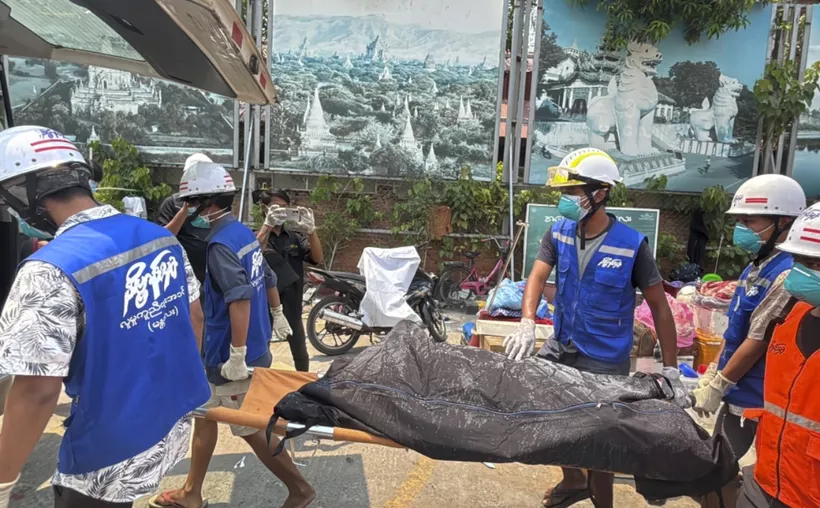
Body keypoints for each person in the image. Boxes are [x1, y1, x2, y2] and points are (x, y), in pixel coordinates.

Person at [0, 126, 210, 508]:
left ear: (23, 192)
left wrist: (3, 480)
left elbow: (37, 390)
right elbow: (194, 316)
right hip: (171, 420)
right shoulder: (161, 238)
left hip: (107, 452)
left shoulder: (47, 269)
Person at [503, 148, 687, 508]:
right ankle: (574, 480)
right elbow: (536, 277)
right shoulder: (558, 233)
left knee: (602, 441)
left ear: (600, 193)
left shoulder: (632, 246)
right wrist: (527, 320)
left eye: (572, 191)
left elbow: (660, 309)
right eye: (563, 191)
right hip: (562, 346)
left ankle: (602, 502)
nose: (565, 199)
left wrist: (671, 370)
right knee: (547, 415)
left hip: (604, 359)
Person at [150, 162, 314, 508]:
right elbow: (267, 275)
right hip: (248, 344)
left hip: (232, 355)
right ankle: (191, 491)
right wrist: (276, 314)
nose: (189, 211)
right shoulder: (241, 232)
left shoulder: (219, 244)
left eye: (190, 204)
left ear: (206, 203)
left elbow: (239, 297)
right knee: (205, 413)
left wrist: (237, 355)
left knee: (249, 427)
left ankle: (299, 489)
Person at [691, 174, 806, 506]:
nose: (741, 229)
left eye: (749, 221)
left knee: (728, 477)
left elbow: (758, 340)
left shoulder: (787, 274)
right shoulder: (756, 267)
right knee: (715, 473)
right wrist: (714, 373)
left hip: (759, 400)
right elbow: (735, 331)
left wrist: (720, 383)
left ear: (784, 222)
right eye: (739, 221)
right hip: (739, 392)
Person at [734, 201, 820, 508]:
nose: (799, 273)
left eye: (814, 264)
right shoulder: (790, 321)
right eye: (798, 260)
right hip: (768, 483)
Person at [255, 189, 323, 372]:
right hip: (264, 304)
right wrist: (267, 226)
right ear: (264, 209)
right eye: (276, 207)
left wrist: (312, 232)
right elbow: (254, 252)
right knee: (261, 350)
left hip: (292, 301)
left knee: (300, 350)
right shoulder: (257, 236)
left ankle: (303, 383)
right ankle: (260, 381)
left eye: (285, 207)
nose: (281, 211)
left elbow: (317, 258)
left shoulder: (295, 237)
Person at [155, 153, 214, 284]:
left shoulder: (214, 202)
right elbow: (161, 240)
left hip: (212, 273)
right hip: (184, 275)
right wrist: (183, 213)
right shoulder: (172, 204)